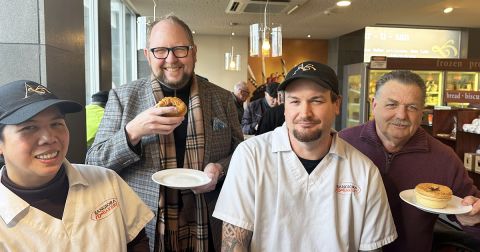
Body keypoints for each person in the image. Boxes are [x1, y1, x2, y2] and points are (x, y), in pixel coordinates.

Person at [85, 14, 243, 252]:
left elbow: (240, 153)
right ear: (148, 56)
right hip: (145, 222)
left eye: (180, 49)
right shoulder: (124, 98)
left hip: (208, 220)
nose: (171, 59)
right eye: (160, 50)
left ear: (194, 52)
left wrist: (220, 169)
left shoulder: (222, 98)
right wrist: (133, 131)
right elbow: (94, 162)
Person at [213, 61, 397, 251]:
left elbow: (371, 247)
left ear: (337, 104)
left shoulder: (364, 171)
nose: (305, 113)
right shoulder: (251, 156)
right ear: (284, 106)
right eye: (295, 101)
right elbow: (233, 244)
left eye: (316, 100)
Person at [0, 80, 153, 251]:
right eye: (29, 127)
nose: (49, 138)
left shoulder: (107, 180)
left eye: (56, 123)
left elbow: (136, 240)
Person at [338, 70, 480, 252]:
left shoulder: (444, 157)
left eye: (412, 107)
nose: (401, 115)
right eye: (392, 104)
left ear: (422, 112)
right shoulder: (343, 143)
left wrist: (473, 218)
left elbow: (470, 210)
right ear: (374, 105)